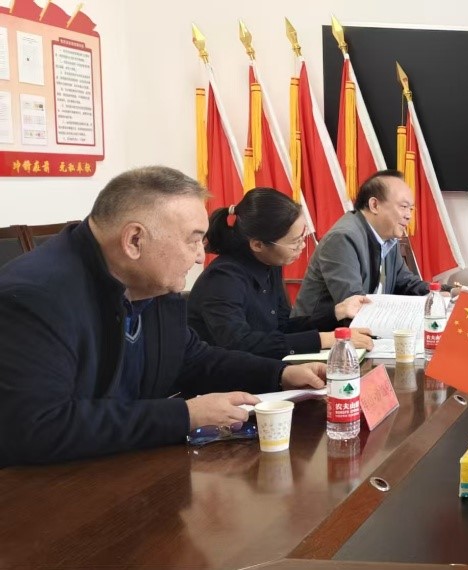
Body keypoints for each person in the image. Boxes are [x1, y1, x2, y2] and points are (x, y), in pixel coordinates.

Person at [0, 166, 327, 467]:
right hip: (51, 488)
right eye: (193, 240)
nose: (200, 257)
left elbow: (192, 358)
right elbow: (37, 427)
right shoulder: (35, 298)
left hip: (128, 467)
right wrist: (184, 415)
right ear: (135, 240)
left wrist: (280, 374)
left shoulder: (147, 279)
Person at [188, 188, 374, 359]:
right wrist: (325, 339)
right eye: (294, 241)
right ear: (258, 244)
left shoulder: (270, 263)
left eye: (302, 236)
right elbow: (240, 343)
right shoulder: (223, 278)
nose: (302, 245)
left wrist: (336, 313)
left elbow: (281, 326)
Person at [293, 170, 429, 321]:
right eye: (403, 207)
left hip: (366, 326)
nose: (409, 215)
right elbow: (354, 305)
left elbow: (406, 283)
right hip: (322, 331)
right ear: (374, 205)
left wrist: (439, 293)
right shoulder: (342, 238)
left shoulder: (387, 236)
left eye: (411, 209)